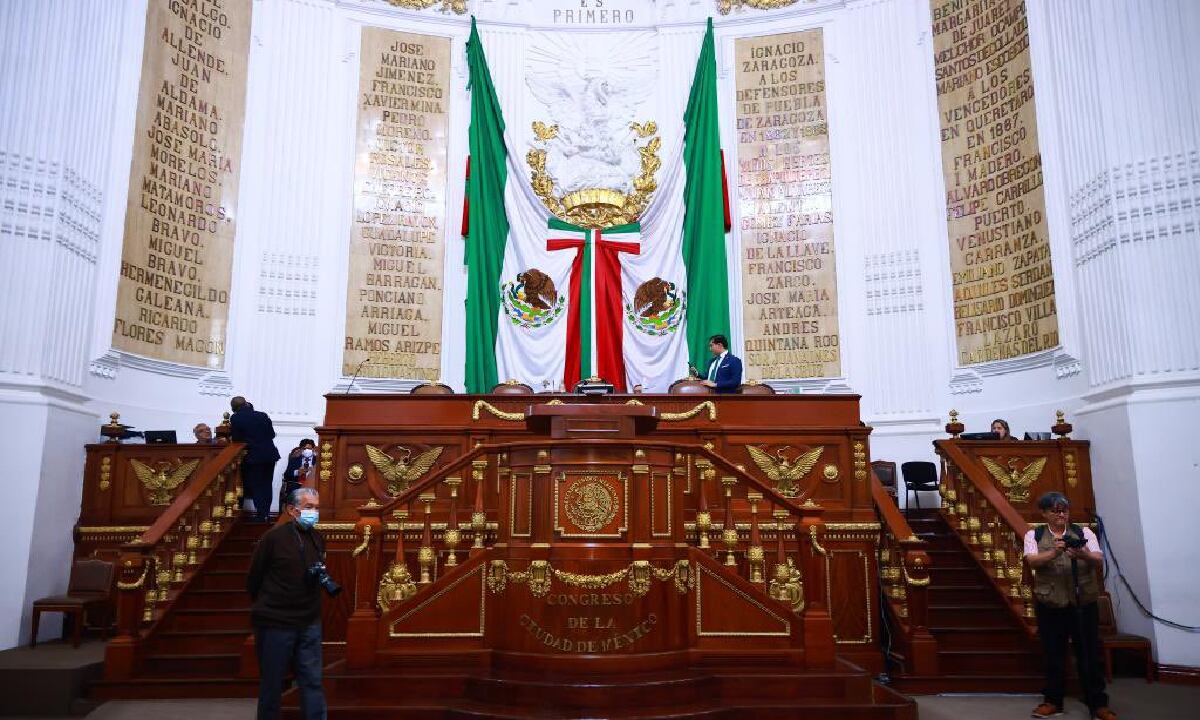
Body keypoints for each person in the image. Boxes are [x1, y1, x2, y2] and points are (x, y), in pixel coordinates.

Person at [1023, 492, 1116, 720]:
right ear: (1044, 513)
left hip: (1083, 603)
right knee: (1053, 654)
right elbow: (1031, 560)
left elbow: (1098, 558)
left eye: (1064, 510)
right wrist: (1055, 552)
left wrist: (1082, 554)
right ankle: (1053, 701)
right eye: (1055, 510)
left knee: (1089, 654)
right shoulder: (1033, 534)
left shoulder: (1084, 532)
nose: (1061, 514)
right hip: (1050, 603)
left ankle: (1097, 703)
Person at [247, 487, 329, 720]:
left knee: (312, 681)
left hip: (309, 622)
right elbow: (254, 579)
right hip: (275, 622)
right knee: (272, 684)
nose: (314, 512)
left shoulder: (317, 538)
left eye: (316, 507)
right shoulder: (273, 538)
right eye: (309, 507)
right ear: (292, 510)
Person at [230, 396, 281, 523]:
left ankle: (260, 515)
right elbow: (272, 434)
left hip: (253, 455)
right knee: (266, 484)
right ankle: (265, 514)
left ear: (234, 408)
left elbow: (236, 439)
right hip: (269, 454)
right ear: (246, 403)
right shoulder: (262, 415)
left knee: (257, 485)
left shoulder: (236, 417)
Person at [281, 439, 317, 511]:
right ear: (301, 449)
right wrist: (297, 472)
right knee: (294, 489)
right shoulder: (295, 459)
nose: (307, 450)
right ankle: (293, 515)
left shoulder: (318, 460)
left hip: (313, 484)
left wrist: (313, 472)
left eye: (309, 448)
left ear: (313, 449)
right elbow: (286, 475)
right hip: (297, 484)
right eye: (304, 448)